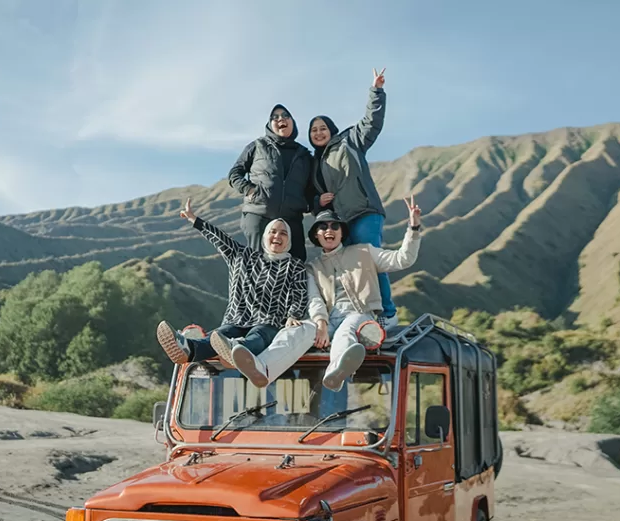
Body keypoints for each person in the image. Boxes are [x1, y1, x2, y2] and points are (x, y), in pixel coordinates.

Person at [155, 199, 316, 389]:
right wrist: (194, 220)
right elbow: (220, 238)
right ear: (265, 236)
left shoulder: (294, 266)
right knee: (219, 336)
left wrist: (293, 315)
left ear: (289, 240)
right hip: (236, 318)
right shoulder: (242, 256)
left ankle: (237, 352)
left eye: (283, 233)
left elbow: (299, 293)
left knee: (257, 336)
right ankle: (188, 349)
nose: (277, 236)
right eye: (273, 231)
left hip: (269, 321)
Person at [307, 67, 398, 328]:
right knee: (349, 270)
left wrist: (376, 91)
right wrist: (317, 203)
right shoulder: (314, 163)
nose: (318, 133)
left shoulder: (350, 141)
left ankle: (388, 314)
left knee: (370, 261)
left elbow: (372, 122)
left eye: (322, 128)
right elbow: (311, 198)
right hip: (339, 222)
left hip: (363, 212)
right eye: (313, 130)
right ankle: (355, 314)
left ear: (332, 129)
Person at [306, 198, 422, 392]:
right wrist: (320, 324)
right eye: (323, 227)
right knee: (302, 332)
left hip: (359, 314)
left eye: (335, 226)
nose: (329, 230)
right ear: (316, 235)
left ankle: (335, 373)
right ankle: (264, 367)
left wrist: (414, 227)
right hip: (328, 319)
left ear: (342, 233)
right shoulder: (312, 267)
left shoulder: (364, 252)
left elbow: (403, 259)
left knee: (346, 331)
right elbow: (314, 300)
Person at [228, 104, 312, 261]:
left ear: (293, 122)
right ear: (269, 124)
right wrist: (249, 189)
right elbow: (235, 173)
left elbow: (310, 188)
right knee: (256, 262)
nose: (280, 119)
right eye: (275, 117)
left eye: (285, 115)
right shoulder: (257, 146)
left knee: (297, 261)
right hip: (259, 212)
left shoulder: (304, 155)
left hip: (291, 216)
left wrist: (310, 203)